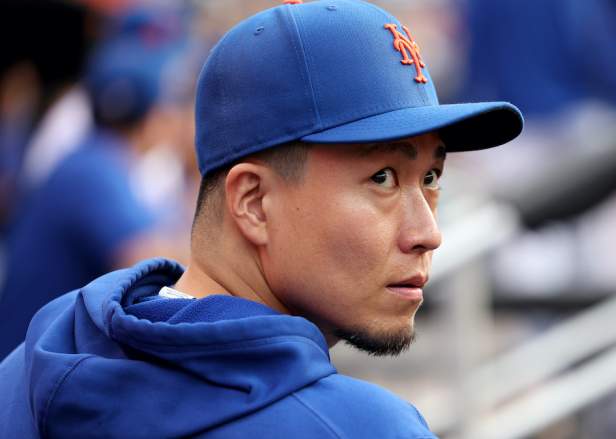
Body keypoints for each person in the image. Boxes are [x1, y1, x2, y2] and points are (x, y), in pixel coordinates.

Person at [0, 0, 522, 437]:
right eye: (382, 178)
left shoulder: (32, 364)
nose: (428, 233)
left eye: (431, 178)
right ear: (252, 203)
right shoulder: (364, 427)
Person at [0, 10, 189, 358]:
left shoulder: (94, 156)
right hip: (24, 372)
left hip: (40, 363)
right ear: (153, 118)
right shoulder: (93, 167)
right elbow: (160, 262)